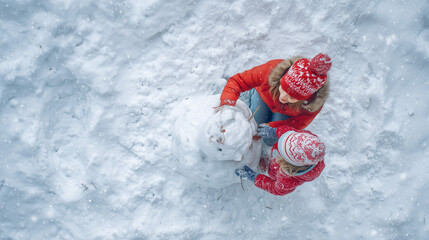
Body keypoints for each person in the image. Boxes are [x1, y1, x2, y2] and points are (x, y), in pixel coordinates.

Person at [219, 53, 331, 145]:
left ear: (304, 99)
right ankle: (253, 93)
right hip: (264, 96)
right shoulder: (271, 70)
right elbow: (238, 81)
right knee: (254, 126)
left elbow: (298, 122)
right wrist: (227, 105)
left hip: (286, 112)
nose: (283, 97)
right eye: (283, 87)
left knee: (270, 140)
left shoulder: (312, 103)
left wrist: (274, 128)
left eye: (292, 97)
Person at [235, 125, 325, 196]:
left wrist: (255, 178)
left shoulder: (286, 180)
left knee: (273, 170)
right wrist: (274, 131)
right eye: (283, 140)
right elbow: (288, 131)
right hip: (284, 162)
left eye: (280, 153)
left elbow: (275, 188)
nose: (279, 147)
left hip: (278, 170)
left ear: (286, 164)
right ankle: (268, 163)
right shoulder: (307, 140)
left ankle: (269, 168)